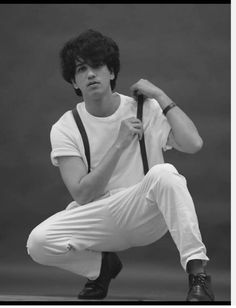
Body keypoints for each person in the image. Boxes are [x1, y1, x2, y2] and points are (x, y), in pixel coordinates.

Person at [26, 29, 215, 301]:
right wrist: (119, 143)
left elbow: (194, 143)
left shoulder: (143, 108)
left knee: (165, 173)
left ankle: (198, 274)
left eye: (97, 65)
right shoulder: (66, 127)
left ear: (111, 72)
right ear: (74, 82)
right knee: (38, 242)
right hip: (99, 215)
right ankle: (101, 268)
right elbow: (82, 194)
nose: (91, 74)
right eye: (81, 69)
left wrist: (160, 96)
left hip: (144, 209)